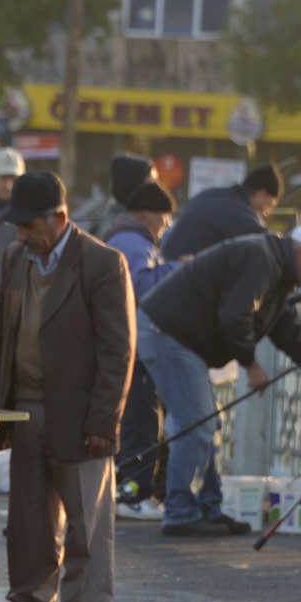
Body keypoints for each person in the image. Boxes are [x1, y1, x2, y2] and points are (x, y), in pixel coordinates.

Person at [0, 172, 135, 602]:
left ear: (59, 219)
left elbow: (118, 350)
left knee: (87, 525)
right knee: (28, 525)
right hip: (24, 411)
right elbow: (0, 332)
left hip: (80, 414)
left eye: (29, 225)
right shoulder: (14, 257)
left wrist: (102, 421)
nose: (21, 234)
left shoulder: (102, 263)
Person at [139, 225, 301, 537]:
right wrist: (251, 364)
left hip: (180, 337)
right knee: (196, 425)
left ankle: (208, 508)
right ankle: (181, 512)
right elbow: (234, 317)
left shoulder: (276, 274)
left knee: (208, 425)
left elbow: (289, 333)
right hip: (168, 332)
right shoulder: (259, 258)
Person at [103, 180, 178, 520]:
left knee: (139, 418)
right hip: (131, 346)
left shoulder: (125, 236)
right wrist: (178, 267)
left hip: (125, 344)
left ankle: (129, 491)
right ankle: (133, 495)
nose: (168, 225)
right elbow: (141, 285)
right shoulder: (133, 242)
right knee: (141, 419)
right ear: (148, 213)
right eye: (165, 217)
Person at [162, 163, 283, 260]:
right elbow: (271, 244)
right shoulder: (239, 212)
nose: (266, 212)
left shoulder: (212, 194)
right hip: (184, 275)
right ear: (260, 193)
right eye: (269, 205)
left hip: (169, 265)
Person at [91, 154, 157, 237]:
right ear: (135, 186)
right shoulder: (122, 227)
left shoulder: (126, 220)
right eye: (151, 183)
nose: (157, 189)